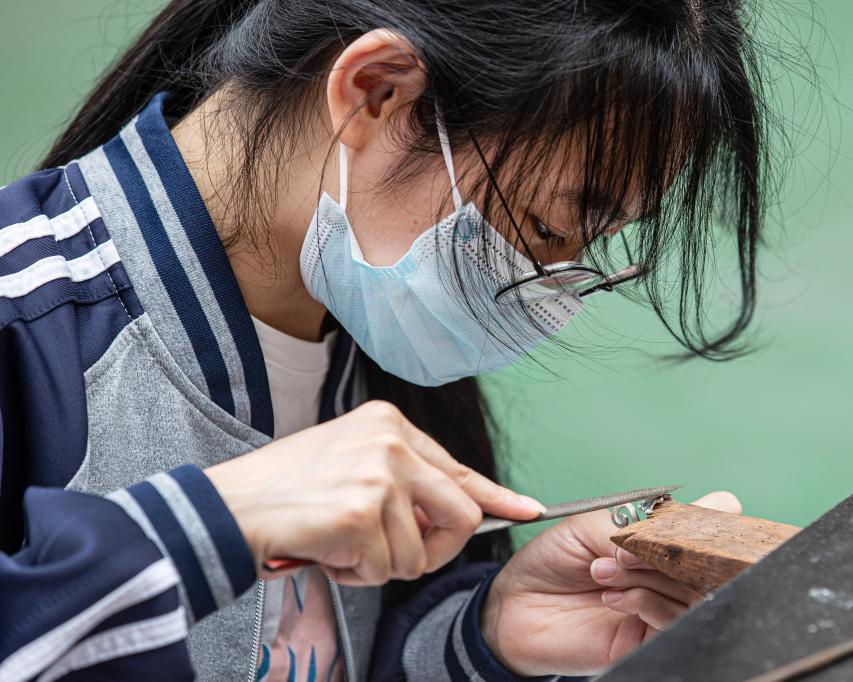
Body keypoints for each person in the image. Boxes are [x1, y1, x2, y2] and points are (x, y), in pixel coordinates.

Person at [0, 0, 770, 679]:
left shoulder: (366, 328)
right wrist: (216, 523)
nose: (546, 287)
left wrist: (484, 639)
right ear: (375, 91)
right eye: (545, 227)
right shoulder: (26, 318)